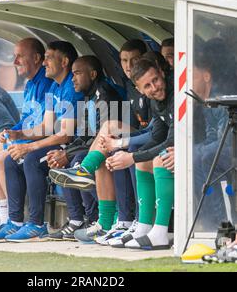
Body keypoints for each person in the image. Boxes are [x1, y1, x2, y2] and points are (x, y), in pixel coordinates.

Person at [52, 58, 175, 250]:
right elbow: (156, 135)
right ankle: (113, 222)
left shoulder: (107, 93)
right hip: (151, 143)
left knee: (129, 149)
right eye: (148, 86)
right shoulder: (153, 100)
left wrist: (125, 150)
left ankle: (127, 221)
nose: (155, 87)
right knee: (113, 152)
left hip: (189, 148)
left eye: (156, 80)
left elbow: (165, 139)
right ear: (139, 88)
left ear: (161, 72)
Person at [0, 41, 84, 243]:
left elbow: (66, 135)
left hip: (73, 145)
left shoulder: (70, 87)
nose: (45, 63)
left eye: (49, 58)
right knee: (12, 160)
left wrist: (29, 146)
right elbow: (47, 126)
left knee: (30, 159)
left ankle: (37, 225)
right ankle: (15, 222)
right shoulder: (54, 87)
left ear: (64, 61)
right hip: (56, 140)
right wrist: (17, 135)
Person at [0, 38, 53, 241]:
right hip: (25, 138)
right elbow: (25, 121)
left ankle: (17, 220)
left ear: (36, 58)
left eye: (20, 56)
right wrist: (6, 134)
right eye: (14, 56)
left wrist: (14, 139)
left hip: (39, 142)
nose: (15, 61)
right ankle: (6, 221)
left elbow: (46, 128)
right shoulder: (29, 85)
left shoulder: (47, 83)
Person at [47, 55, 124, 241]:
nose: (73, 78)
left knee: (78, 160)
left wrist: (68, 154)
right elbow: (84, 136)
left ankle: (94, 218)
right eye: (72, 74)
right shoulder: (87, 97)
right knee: (63, 161)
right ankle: (77, 220)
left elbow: (103, 138)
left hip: (117, 145)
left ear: (93, 74)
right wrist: (64, 152)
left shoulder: (105, 95)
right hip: (96, 147)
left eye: (78, 73)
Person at [192, 37, 237, 231]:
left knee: (207, 156)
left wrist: (199, 150)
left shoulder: (221, 96)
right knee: (195, 154)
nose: (188, 83)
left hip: (231, 149)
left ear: (206, 76)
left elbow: (226, 139)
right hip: (223, 148)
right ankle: (210, 222)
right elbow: (212, 136)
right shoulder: (206, 101)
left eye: (191, 76)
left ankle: (223, 224)